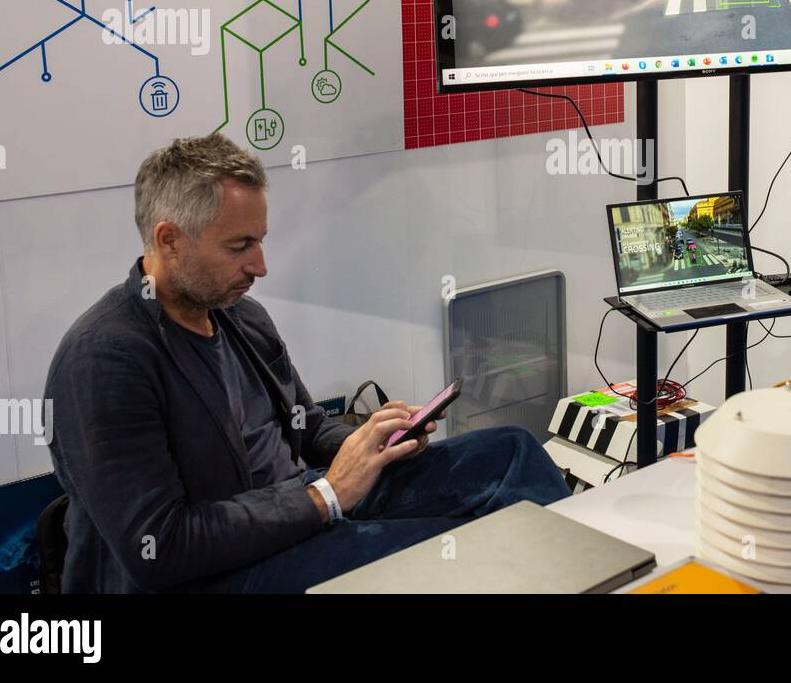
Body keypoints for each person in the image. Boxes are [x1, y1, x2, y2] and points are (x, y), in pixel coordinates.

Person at [44, 134, 570, 593]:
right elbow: (159, 547)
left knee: (510, 452)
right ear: (169, 240)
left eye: (261, 241)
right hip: (218, 569)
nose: (260, 266)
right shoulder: (105, 361)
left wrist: (371, 446)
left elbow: (306, 425)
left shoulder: (241, 316)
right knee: (446, 551)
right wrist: (325, 496)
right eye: (239, 246)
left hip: (307, 505)